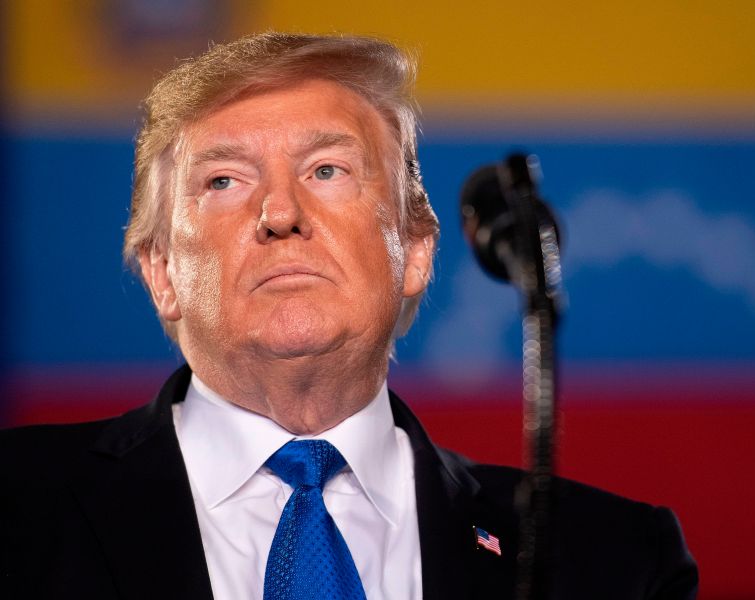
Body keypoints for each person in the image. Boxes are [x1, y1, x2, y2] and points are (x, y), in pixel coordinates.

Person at [0, 32, 698, 599]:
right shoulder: (20, 512)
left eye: (327, 170)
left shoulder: (609, 562)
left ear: (416, 250)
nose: (280, 214)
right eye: (224, 181)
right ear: (162, 274)